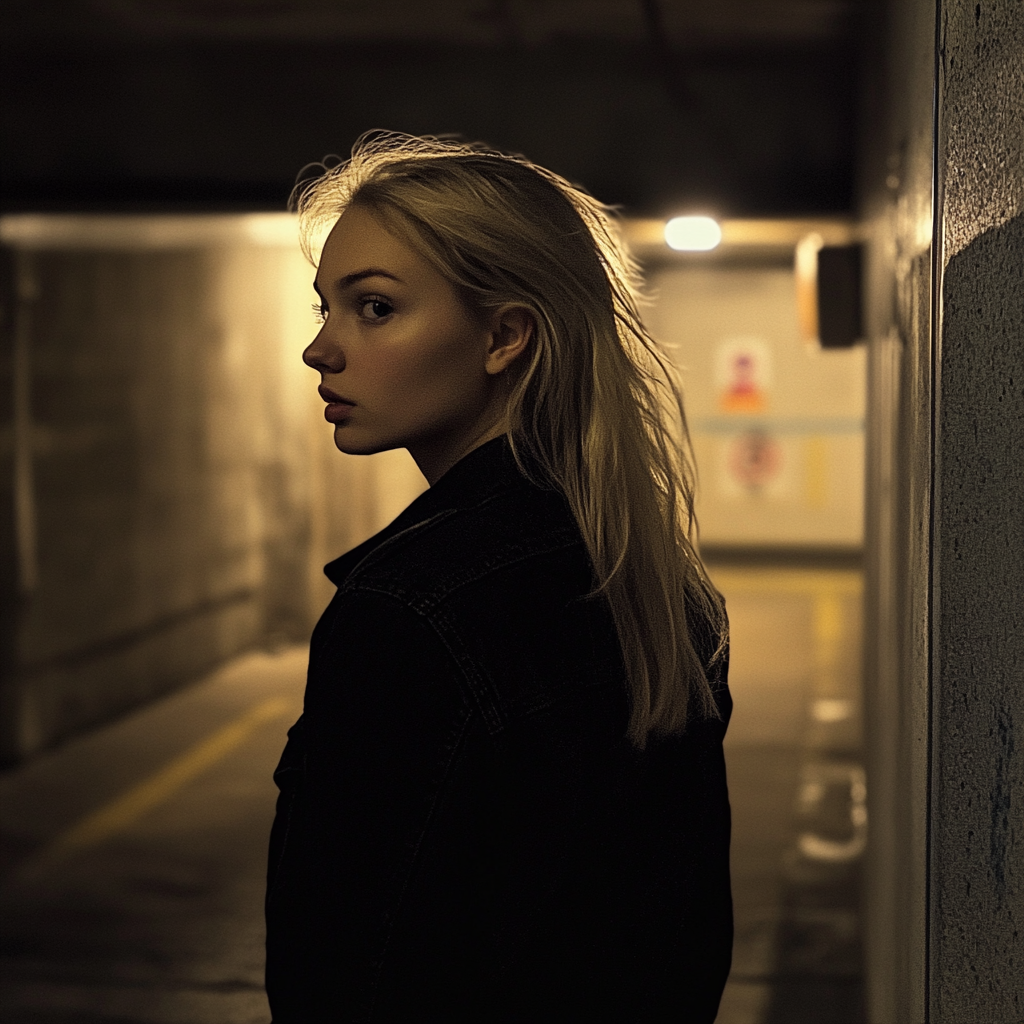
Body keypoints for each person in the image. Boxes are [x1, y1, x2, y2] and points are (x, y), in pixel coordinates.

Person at [265, 132, 733, 1023]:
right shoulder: (661, 591)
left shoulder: (410, 615)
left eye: (373, 308)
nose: (320, 350)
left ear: (505, 336)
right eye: (324, 308)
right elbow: (680, 942)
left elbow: (341, 972)